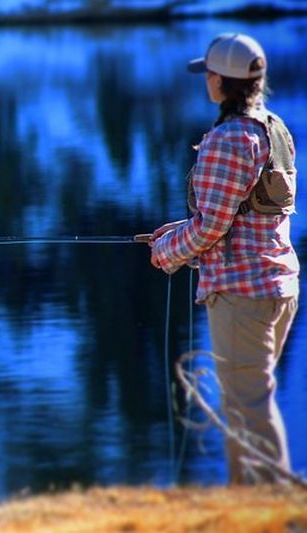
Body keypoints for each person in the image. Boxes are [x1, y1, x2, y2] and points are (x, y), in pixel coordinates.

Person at [149, 33, 299, 484]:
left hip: (241, 293)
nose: (207, 81)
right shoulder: (273, 129)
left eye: (209, 74)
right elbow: (243, 215)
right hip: (279, 286)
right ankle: (251, 504)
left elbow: (214, 226)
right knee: (247, 400)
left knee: (247, 405)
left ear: (220, 81)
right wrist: (177, 232)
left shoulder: (225, 140)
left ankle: (274, 511)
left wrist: (167, 253)